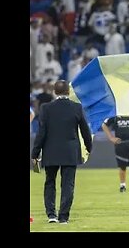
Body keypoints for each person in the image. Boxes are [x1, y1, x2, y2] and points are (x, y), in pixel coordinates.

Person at [31, 80, 93, 224]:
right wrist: (89, 148)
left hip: (50, 151)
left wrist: (35, 153)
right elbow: (85, 131)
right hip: (70, 152)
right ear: (69, 92)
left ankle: (51, 215)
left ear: (54, 91)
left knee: (50, 183)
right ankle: (63, 217)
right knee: (68, 184)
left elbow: (41, 133)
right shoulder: (77, 108)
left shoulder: (46, 108)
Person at [102, 115, 129, 193]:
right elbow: (104, 125)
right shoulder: (115, 115)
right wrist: (111, 137)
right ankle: (122, 185)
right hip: (120, 143)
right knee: (122, 166)